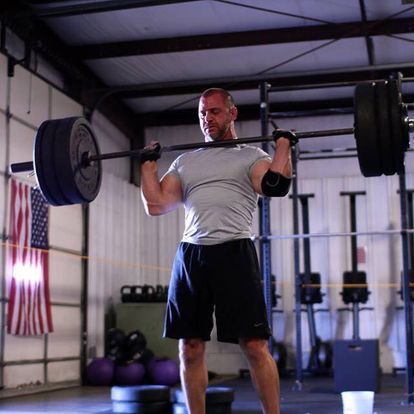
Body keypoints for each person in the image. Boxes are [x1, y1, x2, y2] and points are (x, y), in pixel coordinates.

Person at [140, 88, 294, 414]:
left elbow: (275, 186)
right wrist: (148, 166)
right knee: (190, 348)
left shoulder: (250, 156)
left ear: (232, 114)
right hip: (192, 256)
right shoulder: (185, 161)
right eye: (202, 114)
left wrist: (283, 146)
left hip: (234, 252)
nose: (207, 119)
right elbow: (156, 205)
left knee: (254, 345)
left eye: (214, 112)